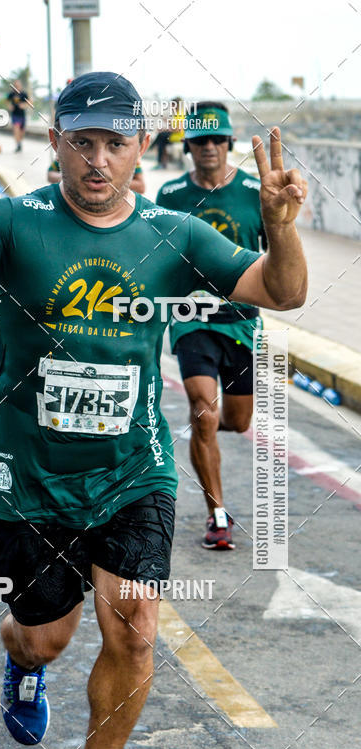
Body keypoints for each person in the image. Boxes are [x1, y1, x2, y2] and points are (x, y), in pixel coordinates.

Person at [0, 74, 307, 749]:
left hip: (134, 470)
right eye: (83, 142)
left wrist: (281, 228)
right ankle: (25, 665)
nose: (98, 160)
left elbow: (283, 293)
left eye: (116, 143)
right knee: (42, 637)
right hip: (29, 475)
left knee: (136, 629)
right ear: (57, 143)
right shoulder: (13, 221)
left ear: (141, 147)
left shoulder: (172, 232)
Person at [156, 102, 266, 550]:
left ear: (229, 144)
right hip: (191, 320)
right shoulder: (170, 195)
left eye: (216, 140)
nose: (208, 148)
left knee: (236, 422)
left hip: (241, 320)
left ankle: (205, 435)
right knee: (204, 409)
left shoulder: (254, 192)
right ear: (189, 147)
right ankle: (217, 515)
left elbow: (277, 255)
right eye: (199, 141)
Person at [47, 155, 146, 193]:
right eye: (82, 143)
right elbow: (50, 174)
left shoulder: (130, 158)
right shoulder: (68, 154)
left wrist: (111, 183)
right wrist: (71, 178)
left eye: (116, 144)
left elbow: (141, 186)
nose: (98, 163)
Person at [6, 79, 29, 151]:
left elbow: (29, 102)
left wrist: (24, 105)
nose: (17, 87)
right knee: (16, 129)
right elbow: (7, 101)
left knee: (22, 132)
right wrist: (9, 106)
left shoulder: (24, 94)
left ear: (20, 86)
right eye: (15, 86)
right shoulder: (11, 94)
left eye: (18, 86)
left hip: (22, 115)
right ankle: (18, 144)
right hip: (15, 115)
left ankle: (19, 142)